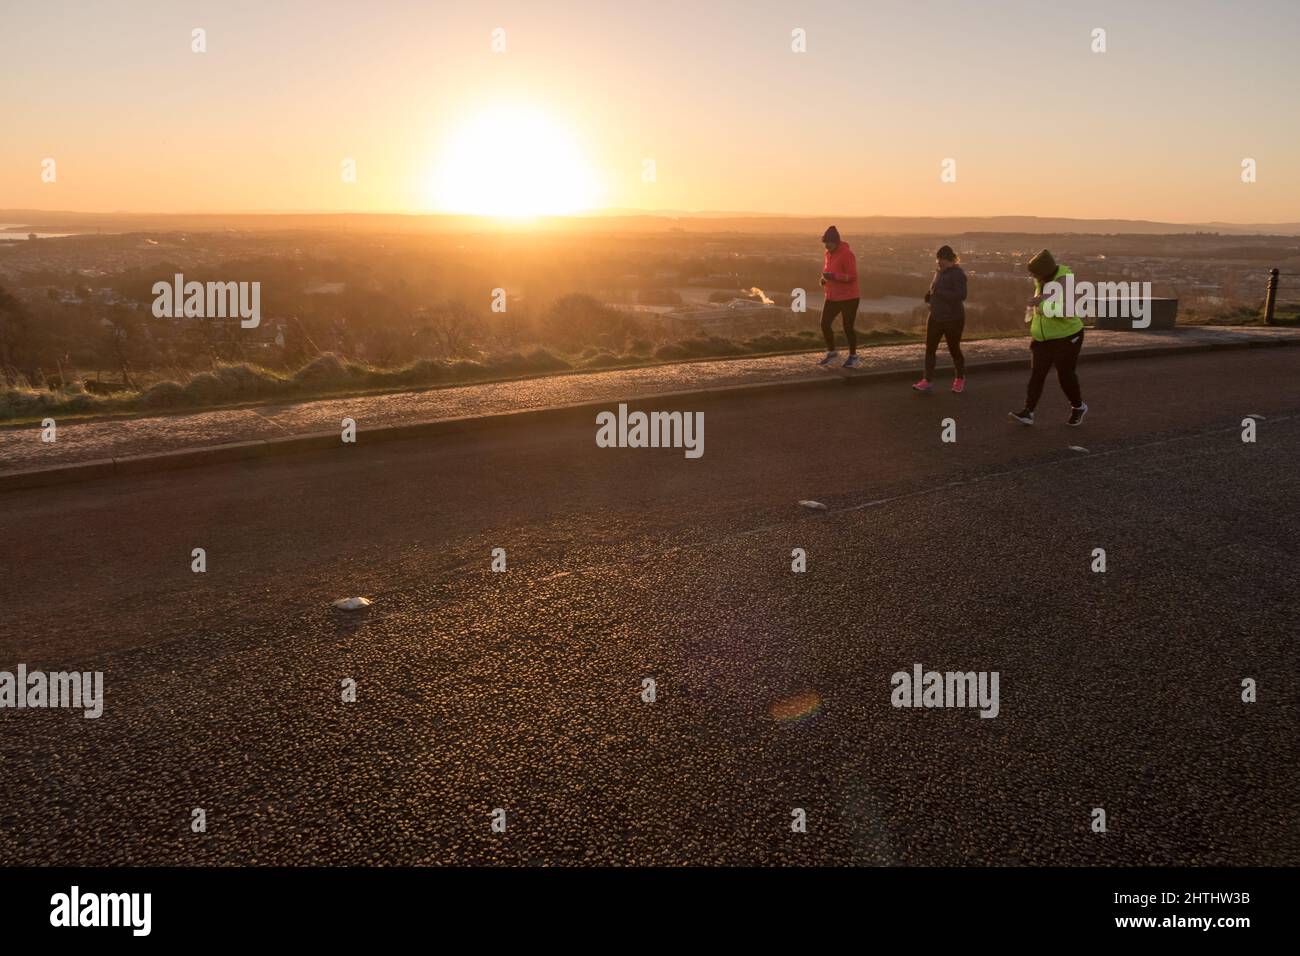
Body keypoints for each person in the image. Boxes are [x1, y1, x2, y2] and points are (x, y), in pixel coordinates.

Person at [1009, 249, 1088, 426]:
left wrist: (1041, 304)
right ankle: (1028, 412)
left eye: (1034, 273)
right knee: (1037, 375)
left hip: (1067, 336)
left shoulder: (1065, 282)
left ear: (1044, 272)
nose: (1032, 276)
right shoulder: (1043, 280)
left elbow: (1067, 312)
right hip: (1043, 339)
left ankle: (1078, 407)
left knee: (1065, 376)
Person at [912, 245, 967, 392]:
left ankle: (959, 378)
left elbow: (961, 295)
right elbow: (934, 288)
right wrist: (929, 295)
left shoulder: (958, 274)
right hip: (936, 316)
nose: (938, 263)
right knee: (930, 348)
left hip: (953, 318)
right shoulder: (939, 272)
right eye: (938, 260)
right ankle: (927, 380)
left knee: (954, 349)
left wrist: (940, 293)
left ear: (949, 260)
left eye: (941, 260)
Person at [816, 226, 861, 368]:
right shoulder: (828, 254)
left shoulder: (847, 254)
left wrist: (834, 277)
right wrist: (824, 279)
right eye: (825, 243)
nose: (826, 246)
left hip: (849, 297)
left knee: (848, 327)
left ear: (836, 241)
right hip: (832, 296)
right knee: (824, 324)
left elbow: (852, 276)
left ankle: (853, 356)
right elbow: (827, 271)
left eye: (829, 242)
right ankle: (832, 353)